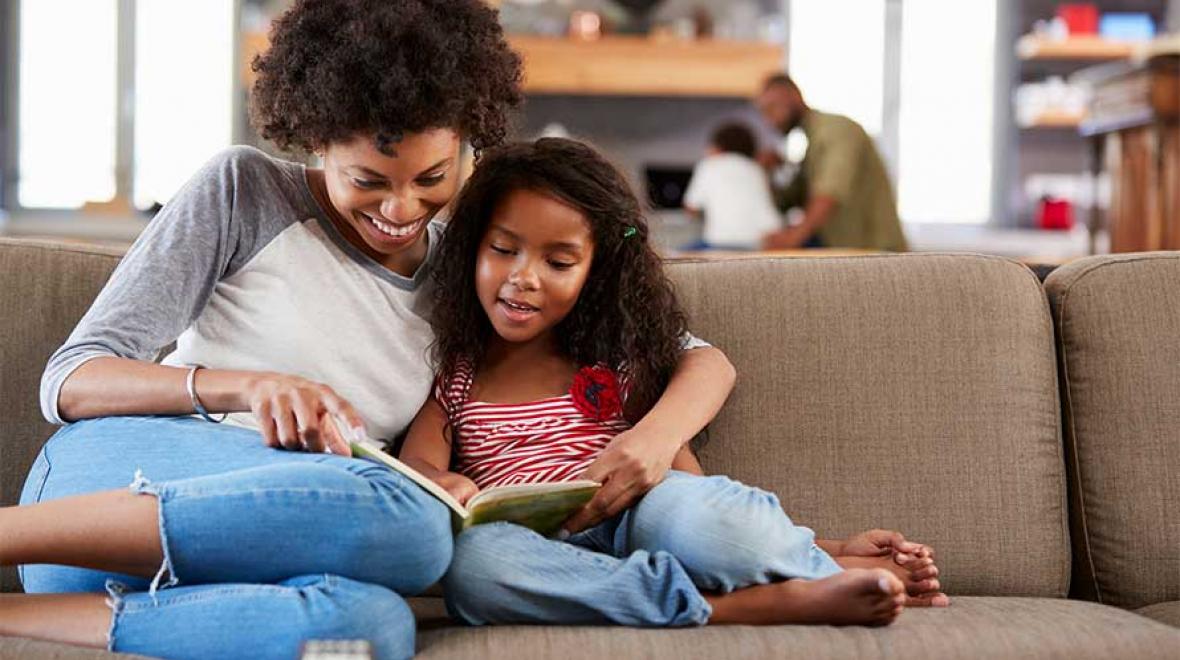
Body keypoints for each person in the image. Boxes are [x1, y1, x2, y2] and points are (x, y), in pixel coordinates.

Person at [0, 2, 736, 658]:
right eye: (369, 181)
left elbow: (695, 361)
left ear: (468, 144)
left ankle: (24, 618)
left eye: (431, 178)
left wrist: (650, 439)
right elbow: (70, 378)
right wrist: (248, 387)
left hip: (273, 539)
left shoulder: (474, 273)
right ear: (316, 140)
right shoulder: (245, 192)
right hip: (98, 497)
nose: (401, 209)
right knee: (413, 526)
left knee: (370, 628)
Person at [398, 137, 949, 630]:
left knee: (701, 521)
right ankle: (739, 605)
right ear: (472, 247)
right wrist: (443, 483)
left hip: (638, 519)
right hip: (538, 550)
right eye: (503, 250)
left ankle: (821, 563)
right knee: (475, 568)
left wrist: (827, 540)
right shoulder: (456, 377)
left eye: (559, 261)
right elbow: (418, 465)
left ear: (596, 272)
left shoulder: (612, 362)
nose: (524, 277)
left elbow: (691, 495)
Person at [755, 73, 908, 252]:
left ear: (793, 95)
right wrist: (768, 171)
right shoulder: (812, 144)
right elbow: (788, 201)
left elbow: (829, 192)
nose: (769, 120)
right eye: (764, 113)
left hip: (878, 254)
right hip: (852, 253)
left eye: (772, 108)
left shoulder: (836, 130)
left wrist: (792, 238)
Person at [682, 121, 782, 251]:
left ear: (717, 147)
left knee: (673, 256)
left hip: (719, 242)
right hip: (758, 242)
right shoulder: (755, 168)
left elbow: (690, 208)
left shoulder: (709, 165)